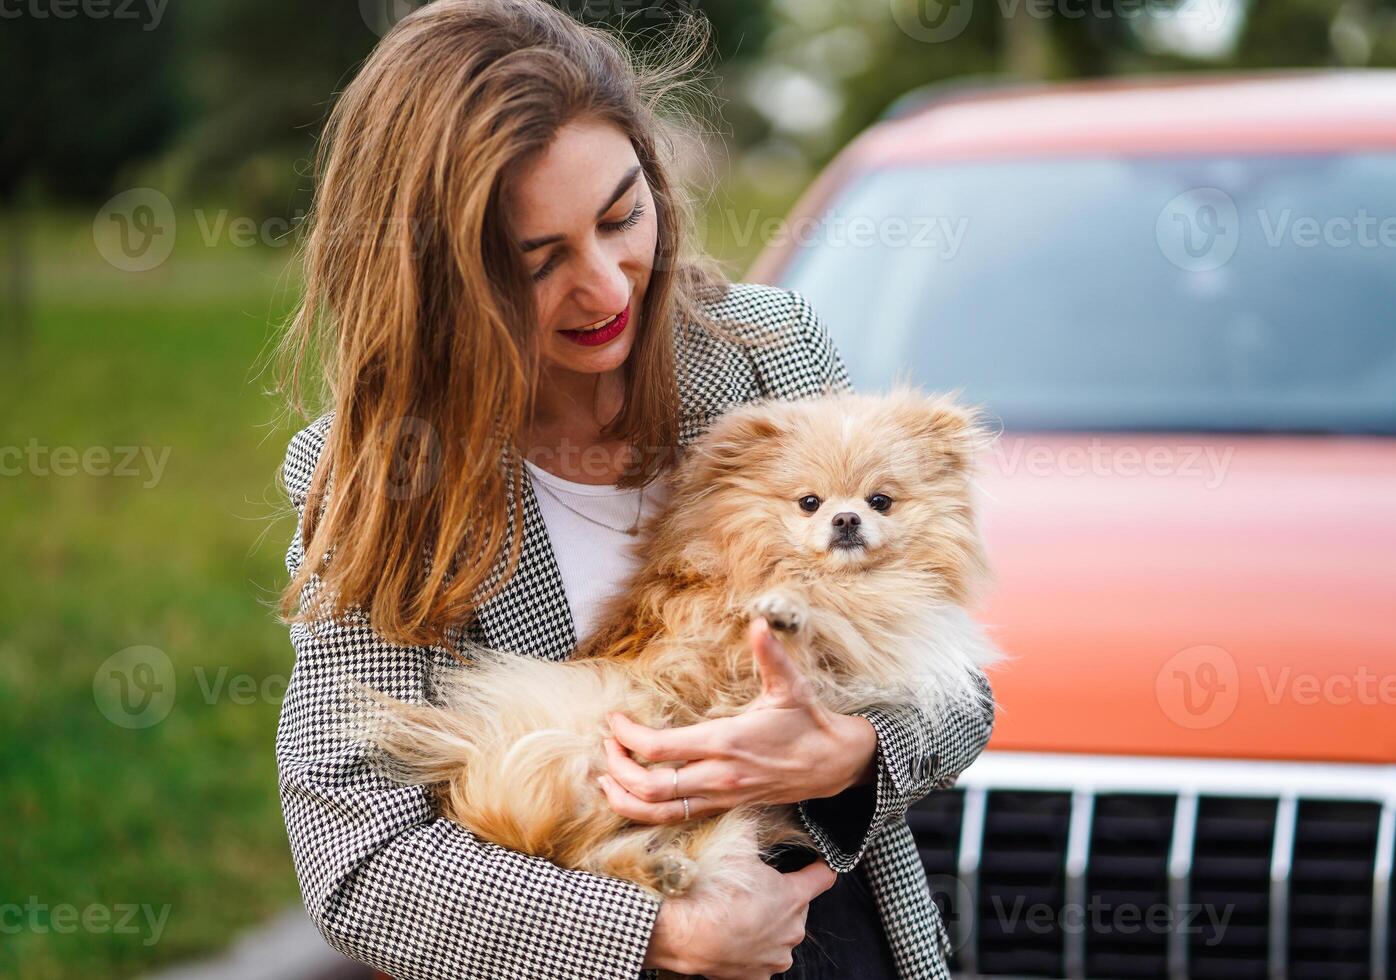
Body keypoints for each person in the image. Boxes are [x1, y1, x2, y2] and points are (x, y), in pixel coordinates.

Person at [272, 2, 994, 978]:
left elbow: (959, 690)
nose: (609, 286)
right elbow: (359, 859)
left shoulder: (769, 350)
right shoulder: (376, 475)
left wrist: (851, 752)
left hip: (835, 937)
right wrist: (662, 931)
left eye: (622, 217)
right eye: (539, 261)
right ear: (442, 283)